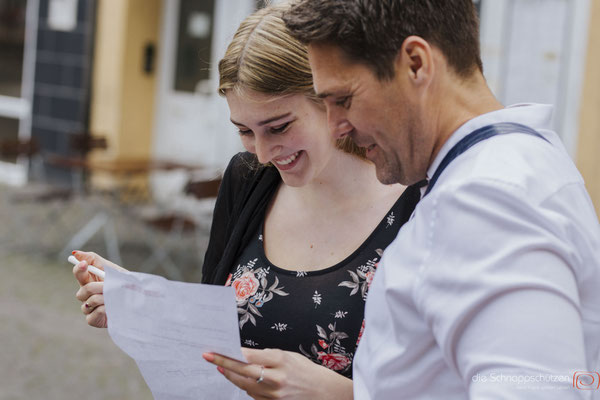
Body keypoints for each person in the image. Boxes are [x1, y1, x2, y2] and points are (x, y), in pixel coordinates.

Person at [72, 4, 422, 399]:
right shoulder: (248, 180)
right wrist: (140, 301)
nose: (264, 153)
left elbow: (447, 381)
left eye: (279, 127)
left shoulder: (416, 206)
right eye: (245, 131)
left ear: (329, 99)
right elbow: (214, 329)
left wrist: (339, 394)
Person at [282, 0, 600, 399]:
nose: (335, 129)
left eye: (343, 99)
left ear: (416, 63)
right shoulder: (513, 164)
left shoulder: (485, 197)